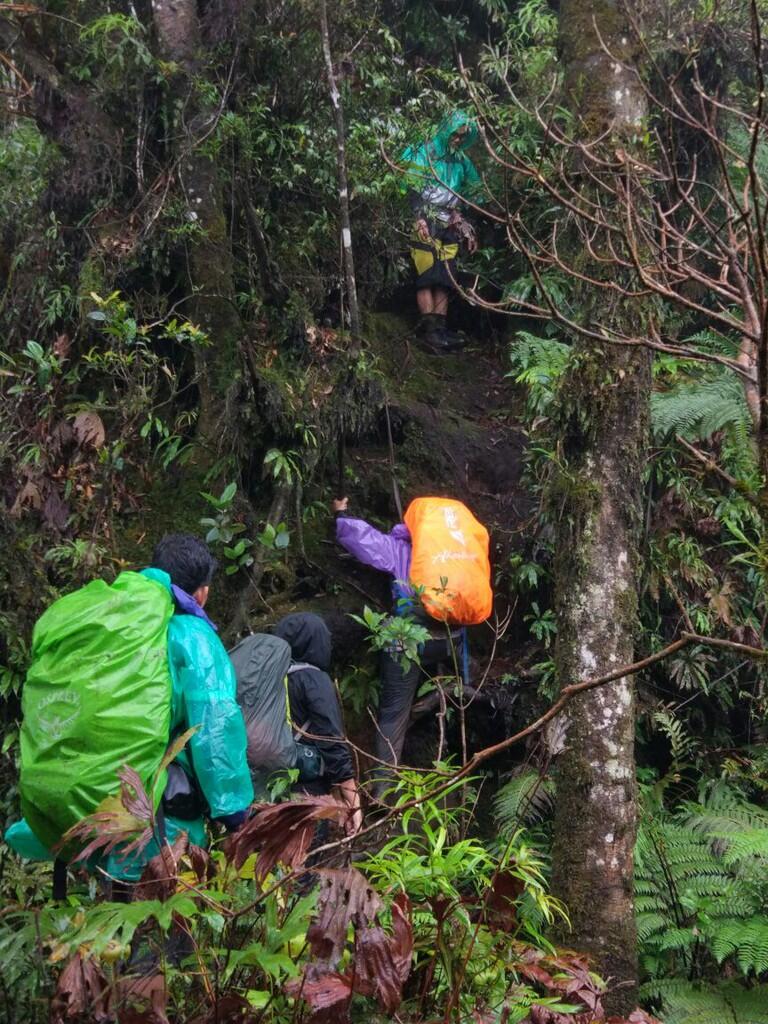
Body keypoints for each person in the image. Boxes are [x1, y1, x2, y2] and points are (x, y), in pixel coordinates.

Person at [5, 533, 254, 888]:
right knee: (162, 934)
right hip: (158, 828)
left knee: (115, 932)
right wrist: (236, 815)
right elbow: (215, 727)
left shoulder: (109, 625)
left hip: (93, 814)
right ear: (202, 592)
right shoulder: (191, 636)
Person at [331, 498, 464, 798]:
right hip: (453, 640)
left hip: (410, 640)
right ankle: (456, 766)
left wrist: (341, 514)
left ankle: (382, 791)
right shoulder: (455, 556)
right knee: (456, 691)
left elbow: (359, 538)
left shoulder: (402, 548)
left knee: (393, 712)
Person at [400, 111, 483, 354]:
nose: (457, 140)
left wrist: (464, 221)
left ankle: (441, 329)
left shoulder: (460, 160)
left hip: (448, 220)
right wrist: (417, 217)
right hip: (425, 217)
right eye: (455, 135)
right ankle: (429, 331)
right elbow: (409, 182)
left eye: (462, 137)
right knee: (426, 271)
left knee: (446, 275)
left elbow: (473, 191)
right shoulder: (425, 151)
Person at [273, 612, 362, 835]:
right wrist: (351, 795)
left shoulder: (267, 675)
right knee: (303, 860)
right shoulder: (313, 679)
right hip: (305, 788)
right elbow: (330, 738)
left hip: (266, 785)